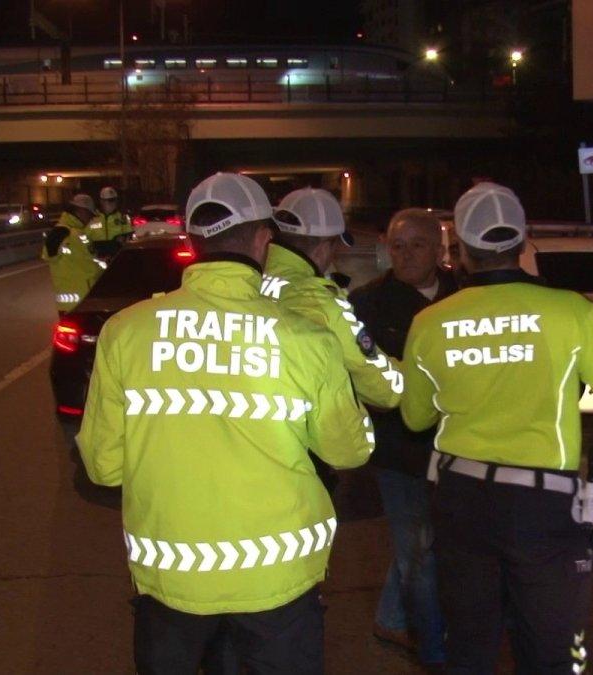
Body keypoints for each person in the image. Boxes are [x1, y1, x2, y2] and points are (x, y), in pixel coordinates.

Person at [77, 172, 375, 674]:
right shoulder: (306, 338)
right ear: (263, 240)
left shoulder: (125, 332)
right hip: (278, 581)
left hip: (172, 581)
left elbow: (104, 468)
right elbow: (349, 451)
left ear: (193, 241)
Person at [400, 183, 593, 674]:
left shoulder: (429, 322)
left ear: (459, 249)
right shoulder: (571, 311)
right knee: (552, 652)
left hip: (460, 500)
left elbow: (415, 417)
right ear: (522, 242)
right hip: (543, 507)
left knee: (469, 648)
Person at [348, 208, 456, 666]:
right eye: (397, 246)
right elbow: (359, 379)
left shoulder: (464, 295)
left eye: (417, 245)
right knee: (419, 548)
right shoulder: (368, 304)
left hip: (459, 448)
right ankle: (428, 641)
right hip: (401, 451)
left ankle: (391, 616)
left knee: (432, 542)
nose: (406, 255)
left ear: (440, 249)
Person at [263, 187, 404, 409]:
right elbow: (387, 390)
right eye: (335, 247)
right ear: (324, 247)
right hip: (300, 422)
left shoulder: (248, 280)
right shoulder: (319, 301)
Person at [43, 193, 104, 313]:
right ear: (81, 211)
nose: (90, 219)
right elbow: (90, 266)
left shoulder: (64, 232)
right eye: (89, 215)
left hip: (71, 302)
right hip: (81, 301)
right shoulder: (68, 233)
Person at [88, 186, 134, 258]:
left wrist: (123, 239)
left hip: (117, 256)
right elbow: (85, 237)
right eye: (109, 200)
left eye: (114, 200)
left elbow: (130, 236)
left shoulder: (122, 217)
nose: (112, 203)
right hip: (98, 257)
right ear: (101, 201)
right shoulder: (92, 218)